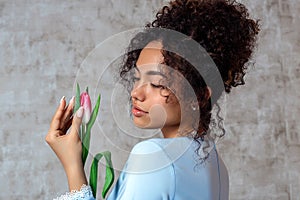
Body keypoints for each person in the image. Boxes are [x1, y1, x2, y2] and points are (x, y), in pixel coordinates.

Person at [46, 0, 259, 199]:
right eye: (137, 77)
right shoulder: (216, 166)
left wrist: (72, 165)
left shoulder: (154, 156)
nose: (136, 93)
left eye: (157, 84)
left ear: (200, 95)